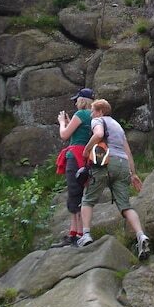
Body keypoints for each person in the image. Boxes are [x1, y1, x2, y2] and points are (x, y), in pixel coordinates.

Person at [77, 98, 151, 260]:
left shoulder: (98, 121)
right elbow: (128, 152)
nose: (91, 114)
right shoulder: (118, 126)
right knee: (125, 206)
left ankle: (86, 235)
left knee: (88, 199)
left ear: (100, 111)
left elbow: (99, 134)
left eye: (93, 111)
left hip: (105, 163)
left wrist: (86, 150)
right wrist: (133, 174)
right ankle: (141, 235)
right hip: (123, 165)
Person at [52, 87, 95, 247]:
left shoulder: (81, 114)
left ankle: (76, 234)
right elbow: (82, 133)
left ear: (82, 100)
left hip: (75, 157)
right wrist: (71, 122)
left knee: (73, 193)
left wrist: (62, 123)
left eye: (77, 100)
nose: (75, 103)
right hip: (86, 158)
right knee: (80, 192)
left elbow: (64, 135)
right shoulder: (93, 116)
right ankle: (76, 232)